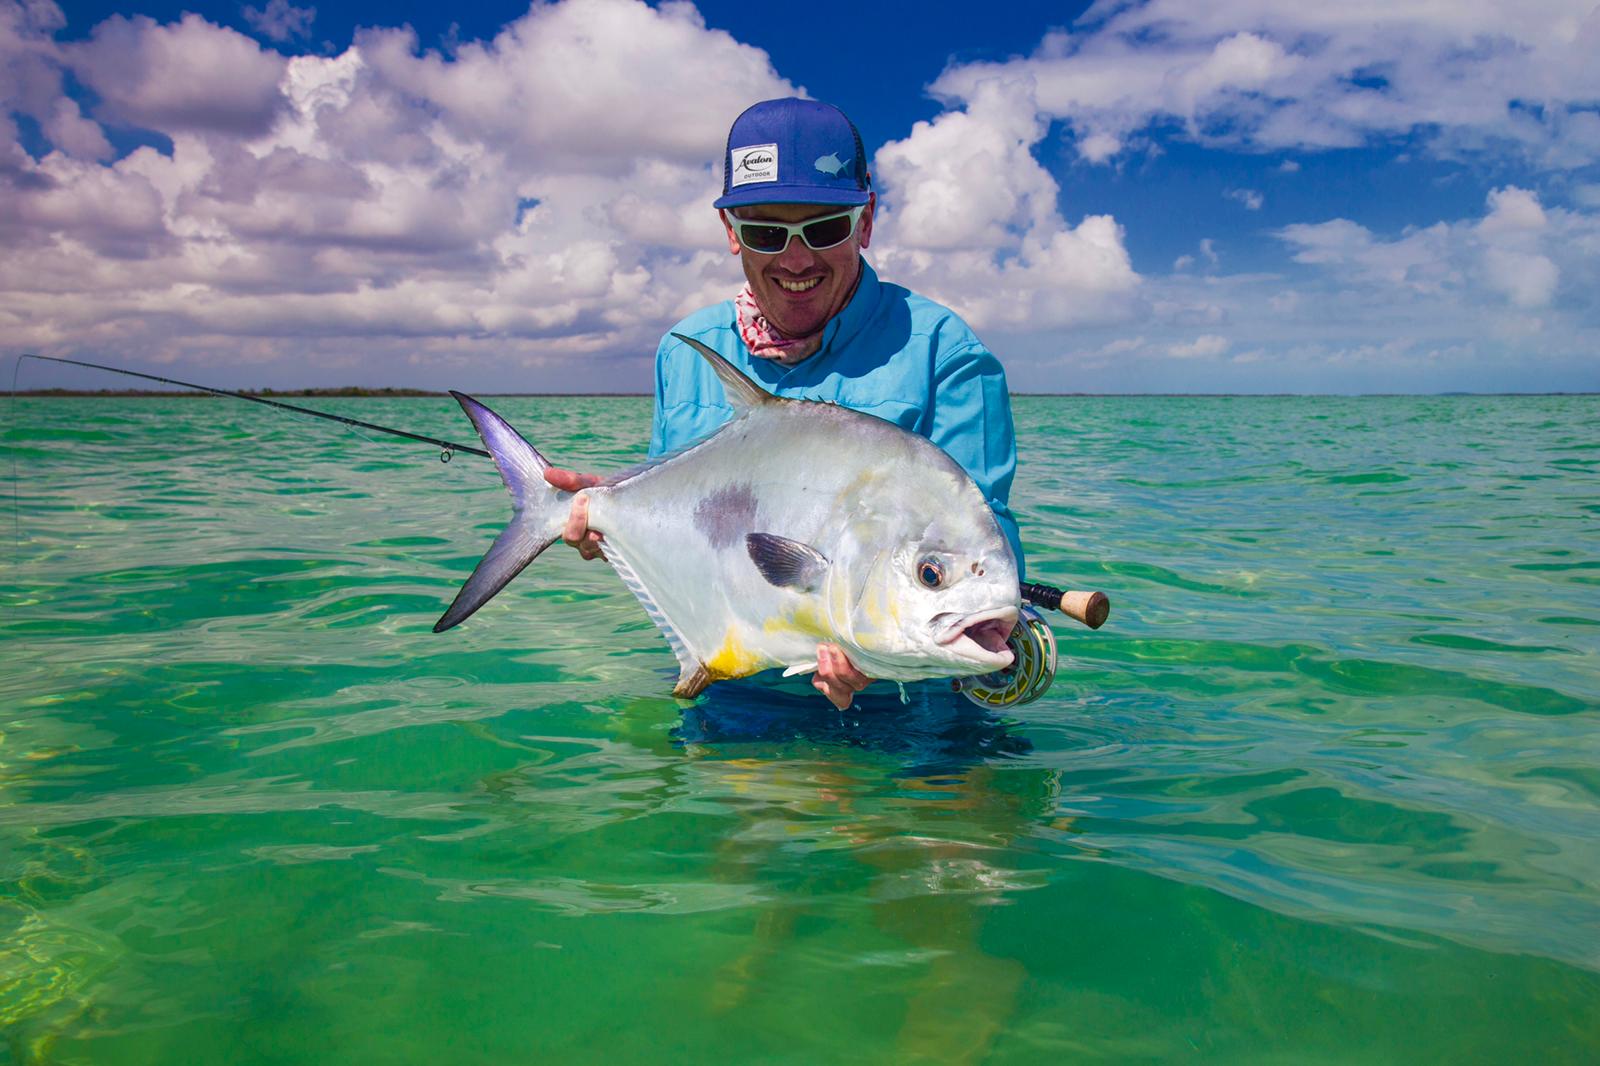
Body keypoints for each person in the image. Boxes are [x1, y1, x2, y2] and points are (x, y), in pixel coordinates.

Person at [546, 98, 1022, 710]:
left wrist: (882, 652)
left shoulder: (946, 356)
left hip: (911, 731)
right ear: (731, 234)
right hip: (730, 715)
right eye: (767, 232)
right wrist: (611, 518)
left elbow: (984, 548)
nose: (796, 260)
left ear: (866, 221)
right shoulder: (685, 354)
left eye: (824, 229)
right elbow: (685, 524)